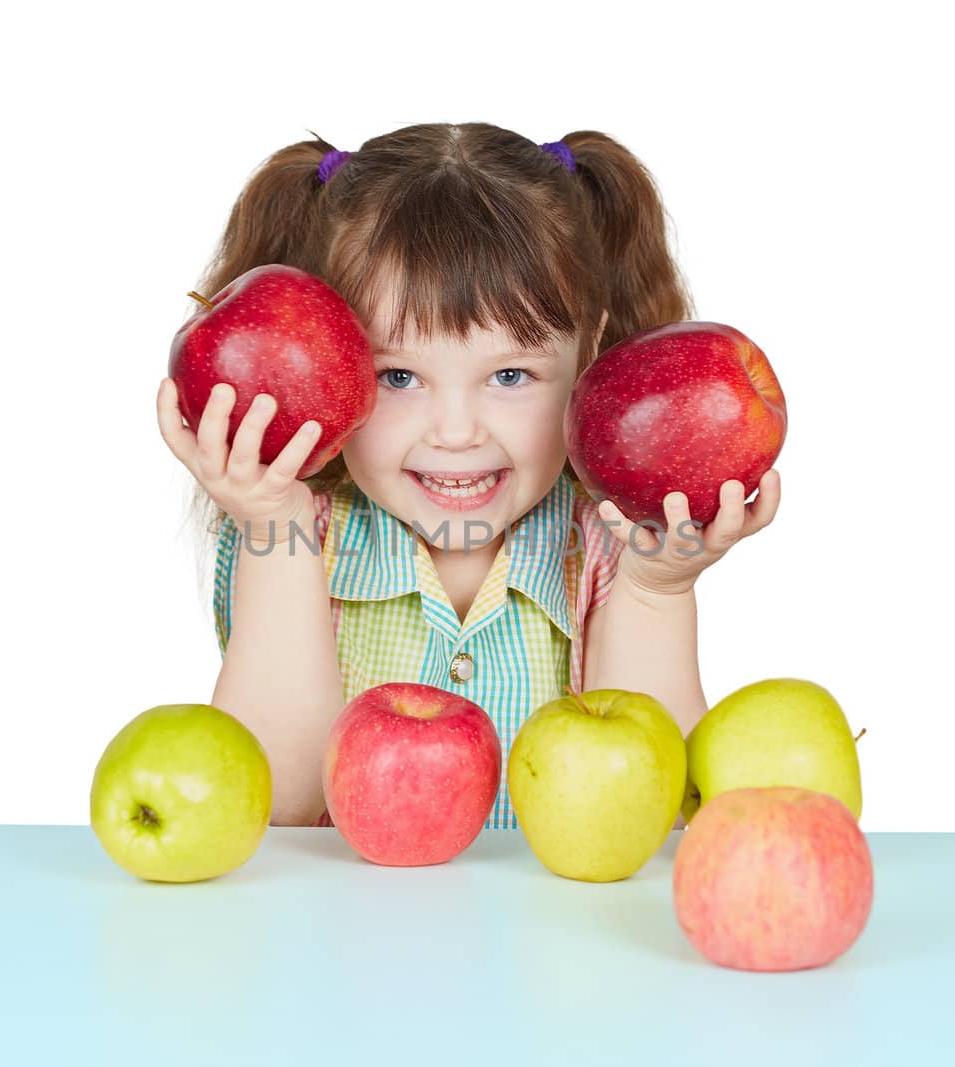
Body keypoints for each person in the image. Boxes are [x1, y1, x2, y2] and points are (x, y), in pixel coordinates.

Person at [157, 123, 781, 828]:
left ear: (593, 352)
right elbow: (277, 808)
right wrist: (274, 526)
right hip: (354, 936)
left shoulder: (612, 546)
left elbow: (654, 811)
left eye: (509, 375)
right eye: (399, 375)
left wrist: (658, 591)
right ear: (325, 359)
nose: (455, 431)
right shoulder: (298, 541)